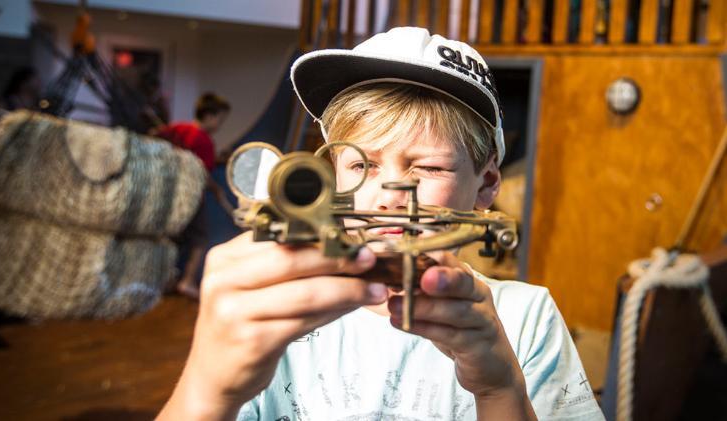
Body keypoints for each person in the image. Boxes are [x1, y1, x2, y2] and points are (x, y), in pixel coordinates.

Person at [158, 27, 604, 420]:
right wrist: (207, 387)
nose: (391, 196)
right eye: (360, 165)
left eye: (428, 168)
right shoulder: (278, 310)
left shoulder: (527, 318)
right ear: (330, 173)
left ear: (486, 184)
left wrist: (499, 388)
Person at [156, 93, 234, 299]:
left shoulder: (178, 129)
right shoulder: (204, 141)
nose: (219, 125)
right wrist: (217, 191)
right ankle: (187, 281)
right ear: (209, 116)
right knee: (199, 239)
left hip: (170, 196)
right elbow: (203, 175)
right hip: (191, 199)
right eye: (219, 119)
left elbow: (155, 134)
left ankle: (165, 280)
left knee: (172, 239)